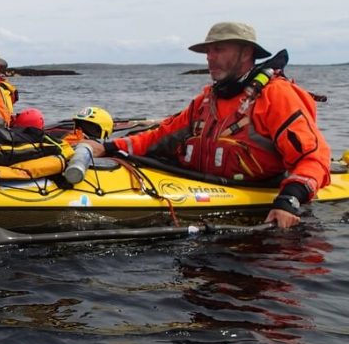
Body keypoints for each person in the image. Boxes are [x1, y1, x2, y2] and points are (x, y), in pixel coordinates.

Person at [81, 22, 331, 228]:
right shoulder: (206, 100)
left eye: (219, 50)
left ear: (246, 53)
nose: (209, 58)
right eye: (208, 52)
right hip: (204, 202)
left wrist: (289, 200)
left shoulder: (277, 96)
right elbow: (160, 137)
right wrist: (108, 147)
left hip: (260, 212)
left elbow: (315, 157)